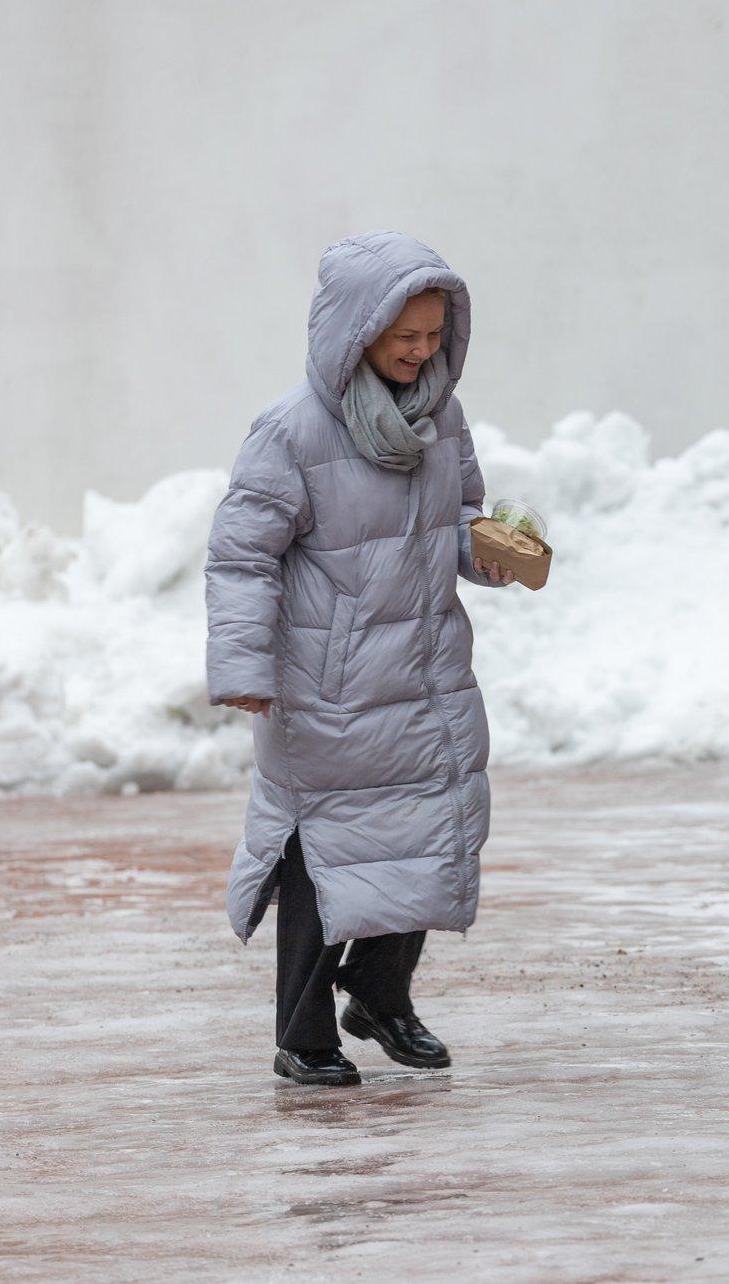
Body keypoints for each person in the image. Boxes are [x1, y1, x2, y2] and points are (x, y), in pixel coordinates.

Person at [205, 231, 520, 1086]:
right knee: (318, 855)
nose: (420, 354)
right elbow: (242, 557)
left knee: (426, 832)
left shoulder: (441, 417)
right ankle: (303, 1032)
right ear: (355, 332)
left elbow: (456, 518)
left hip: (420, 672)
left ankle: (380, 997)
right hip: (327, 684)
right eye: (403, 339)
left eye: (431, 337)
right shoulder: (290, 431)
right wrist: (243, 668)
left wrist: (489, 551)